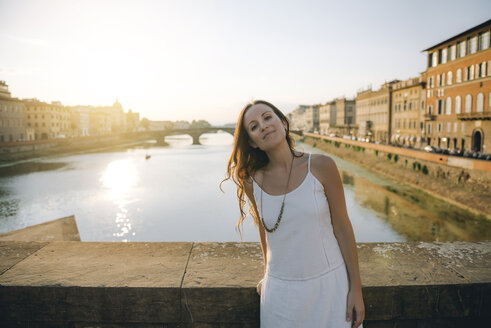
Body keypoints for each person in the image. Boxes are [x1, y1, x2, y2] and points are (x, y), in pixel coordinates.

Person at [222, 100, 365, 327]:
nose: (264, 125)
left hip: (329, 287)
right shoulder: (251, 182)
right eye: (254, 126)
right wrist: (268, 271)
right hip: (280, 293)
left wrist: (355, 288)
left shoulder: (322, 166)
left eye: (268, 117)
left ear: (284, 123)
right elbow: (264, 228)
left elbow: (342, 228)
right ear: (252, 142)